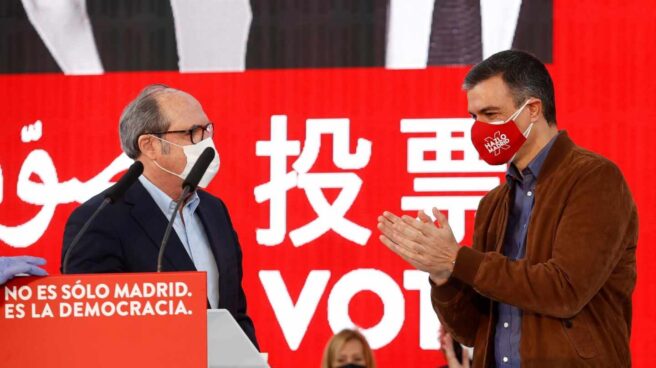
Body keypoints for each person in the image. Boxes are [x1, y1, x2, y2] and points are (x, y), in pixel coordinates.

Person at [378, 50, 637, 367]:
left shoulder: (594, 178)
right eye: (474, 117)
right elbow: (472, 331)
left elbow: (565, 289)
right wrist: (443, 274)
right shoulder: (494, 204)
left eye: (490, 113)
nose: (480, 128)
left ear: (532, 110)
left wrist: (457, 258)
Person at [61, 84, 258, 348]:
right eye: (192, 133)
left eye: (207, 129)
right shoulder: (99, 219)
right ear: (150, 145)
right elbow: (93, 326)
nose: (207, 143)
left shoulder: (214, 210)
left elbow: (235, 314)